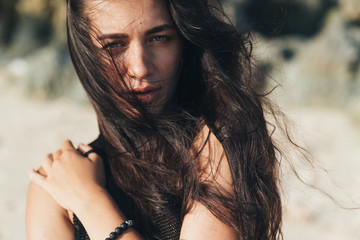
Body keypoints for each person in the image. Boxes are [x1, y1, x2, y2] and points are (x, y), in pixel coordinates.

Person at [26, 0, 282, 239]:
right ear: (86, 55)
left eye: (159, 38)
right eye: (114, 44)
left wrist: (90, 201)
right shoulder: (54, 189)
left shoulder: (216, 143)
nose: (140, 68)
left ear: (183, 42)